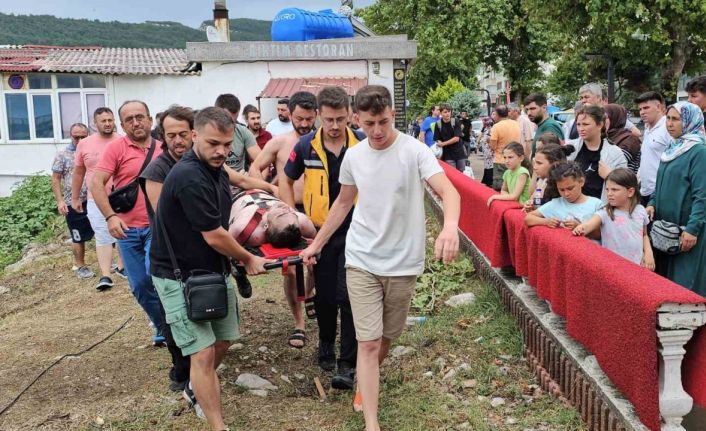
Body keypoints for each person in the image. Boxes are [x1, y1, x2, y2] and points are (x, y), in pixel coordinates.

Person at [300, 85, 460, 431]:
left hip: (403, 261)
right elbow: (343, 203)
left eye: (383, 122)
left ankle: (364, 378)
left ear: (392, 115)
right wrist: (317, 244)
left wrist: (449, 228)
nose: (376, 131)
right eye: (369, 123)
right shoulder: (355, 156)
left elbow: (448, 190)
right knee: (368, 341)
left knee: (388, 336)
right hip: (361, 258)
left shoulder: (415, 152)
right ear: (357, 118)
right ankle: (371, 421)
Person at [150, 107, 269, 431]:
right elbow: (215, 235)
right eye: (214, 143)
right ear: (194, 137)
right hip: (178, 276)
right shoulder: (188, 176)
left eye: (227, 144)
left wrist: (269, 192)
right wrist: (248, 258)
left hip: (210, 271)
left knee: (225, 338)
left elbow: (240, 182)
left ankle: (194, 383)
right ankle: (218, 424)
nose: (222, 151)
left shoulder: (215, 167)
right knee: (201, 353)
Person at [283, 86, 366, 389]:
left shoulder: (363, 143)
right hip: (320, 232)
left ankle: (347, 361)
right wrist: (292, 216)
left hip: (357, 230)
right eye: (328, 119)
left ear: (349, 115)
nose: (333, 126)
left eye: (340, 119)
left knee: (351, 295)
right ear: (318, 115)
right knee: (327, 295)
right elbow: (287, 177)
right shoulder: (306, 146)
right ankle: (326, 344)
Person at [91, 100, 166, 345]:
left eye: (140, 117)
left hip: (159, 227)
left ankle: (170, 329)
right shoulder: (116, 148)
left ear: (150, 119)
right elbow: (96, 183)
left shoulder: (164, 148)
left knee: (155, 276)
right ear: (122, 125)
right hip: (127, 230)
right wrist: (110, 217)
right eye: (130, 119)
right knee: (139, 286)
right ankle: (162, 325)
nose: (136, 122)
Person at [248, 91, 318, 348]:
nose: (303, 124)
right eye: (299, 118)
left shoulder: (323, 142)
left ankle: (309, 296)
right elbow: (254, 169)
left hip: (317, 211)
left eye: (309, 119)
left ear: (316, 116)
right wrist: (268, 189)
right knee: (290, 270)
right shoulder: (279, 142)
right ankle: (298, 323)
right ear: (291, 114)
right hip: (287, 210)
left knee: (316, 264)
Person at [646, 102, 706, 296]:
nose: (670, 124)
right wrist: (652, 203)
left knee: (685, 283)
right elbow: (659, 183)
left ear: (689, 121)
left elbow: (702, 195)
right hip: (665, 229)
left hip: (686, 230)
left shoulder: (699, 152)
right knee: (665, 281)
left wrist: (692, 229)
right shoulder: (673, 147)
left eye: (676, 119)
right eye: (669, 119)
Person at [72, 107, 125, 291]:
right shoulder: (84, 144)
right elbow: (78, 172)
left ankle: (122, 266)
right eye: (103, 121)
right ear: (95, 124)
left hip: (122, 196)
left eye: (110, 120)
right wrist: (75, 197)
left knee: (124, 233)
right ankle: (105, 275)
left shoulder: (122, 141)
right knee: (102, 234)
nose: (108, 124)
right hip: (96, 198)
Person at [573, 168, 654, 269]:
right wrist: (581, 228)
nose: (609, 193)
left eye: (614, 190)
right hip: (612, 268)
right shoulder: (605, 212)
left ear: (630, 192)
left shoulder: (641, 210)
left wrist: (648, 254)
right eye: (607, 189)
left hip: (637, 267)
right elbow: (590, 224)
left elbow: (644, 235)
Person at [52, 123, 95, 279]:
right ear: (71, 136)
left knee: (103, 230)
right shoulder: (62, 154)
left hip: (94, 198)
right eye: (76, 137)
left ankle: (109, 261)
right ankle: (81, 265)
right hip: (73, 202)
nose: (80, 139)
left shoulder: (93, 151)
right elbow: (56, 179)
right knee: (77, 235)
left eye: (83, 136)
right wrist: (60, 201)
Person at [566, 105, 627, 201]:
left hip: (601, 209)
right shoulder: (570, 148)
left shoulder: (615, 153)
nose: (581, 129)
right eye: (578, 124)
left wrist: (610, 175)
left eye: (585, 124)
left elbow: (626, 184)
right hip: (571, 207)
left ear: (600, 125)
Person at [525, 161, 603, 229]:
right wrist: (546, 221)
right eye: (561, 190)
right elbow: (528, 218)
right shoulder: (556, 203)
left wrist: (579, 226)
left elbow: (601, 234)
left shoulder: (596, 204)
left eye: (570, 188)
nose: (566, 194)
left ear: (581, 181)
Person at [228, 189, 316, 247]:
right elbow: (315, 241)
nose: (286, 208)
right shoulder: (302, 221)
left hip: (236, 194)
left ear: (266, 226)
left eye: (280, 215)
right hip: (264, 190)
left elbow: (225, 248)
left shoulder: (244, 227)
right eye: (293, 213)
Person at [562, 83, 640, 140]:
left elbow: (637, 133)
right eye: (581, 98)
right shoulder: (573, 122)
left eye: (586, 97)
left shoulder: (609, 115)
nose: (583, 100)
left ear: (599, 98)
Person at [635, 91, 671, 206]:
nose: (642, 112)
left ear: (659, 107)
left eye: (646, 108)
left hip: (661, 192)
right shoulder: (647, 128)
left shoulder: (668, 127)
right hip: (644, 191)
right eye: (640, 109)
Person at [214, 94, 261, 172]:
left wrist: (257, 179)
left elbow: (261, 161)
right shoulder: (207, 134)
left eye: (234, 121)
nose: (231, 125)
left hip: (240, 179)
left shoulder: (243, 132)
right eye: (227, 121)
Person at [523, 142, 575, 212]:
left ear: (554, 164)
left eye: (539, 163)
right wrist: (531, 204)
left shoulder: (562, 184)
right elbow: (535, 200)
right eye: (534, 162)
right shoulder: (543, 180)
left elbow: (554, 210)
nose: (534, 167)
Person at [487, 142, 531, 206]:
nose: (507, 161)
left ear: (521, 158)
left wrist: (494, 197)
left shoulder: (522, 172)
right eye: (505, 157)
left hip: (522, 207)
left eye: (510, 157)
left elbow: (515, 197)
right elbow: (503, 190)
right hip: (513, 204)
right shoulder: (507, 172)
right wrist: (508, 196)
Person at [489, 105, 521, 190]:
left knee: (499, 188)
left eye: (495, 114)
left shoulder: (496, 126)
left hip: (501, 160)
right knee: (513, 187)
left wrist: (489, 141)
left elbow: (493, 147)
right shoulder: (516, 124)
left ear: (498, 115)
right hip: (515, 159)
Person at [604, 104, 641, 173]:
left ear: (615, 118)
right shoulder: (607, 136)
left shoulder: (630, 139)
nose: (601, 121)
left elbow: (615, 163)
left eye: (605, 117)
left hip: (622, 181)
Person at [433, 103, 465, 172]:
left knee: (461, 173)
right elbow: (436, 138)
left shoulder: (455, 121)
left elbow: (456, 138)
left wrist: (443, 144)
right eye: (445, 112)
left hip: (459, 153)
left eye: (449, 111)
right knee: (453, 174)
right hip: (448, 155)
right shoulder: (438, 124)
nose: (447, 114)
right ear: (441, 113)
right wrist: (439, 141)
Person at [480, 117, 495, 187]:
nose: (482, 123)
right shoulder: (485, 129)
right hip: (486, 151)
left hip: (489, 150)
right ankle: (486, 179)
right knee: (487, 164)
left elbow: (490, 140)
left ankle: (489, 180)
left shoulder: (490, 129)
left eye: (484, 121)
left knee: (489, 165)